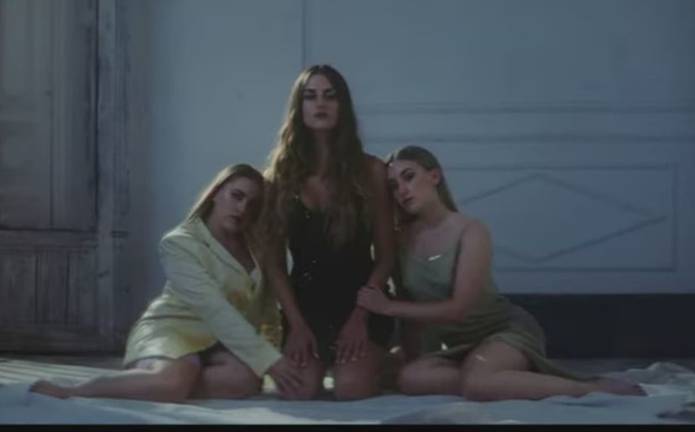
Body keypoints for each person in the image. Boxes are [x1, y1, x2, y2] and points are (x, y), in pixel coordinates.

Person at [356, 145, 645, 401]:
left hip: (502, 330)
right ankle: (505, 380)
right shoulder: (400, 239)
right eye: (393, 185)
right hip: (455, 346)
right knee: (410, 378)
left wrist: (388, 307)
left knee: (478, 384)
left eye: (409, 177)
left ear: (434, 176)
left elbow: (459, 308)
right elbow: (411, 317)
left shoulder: (471, 230)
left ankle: (590, 388)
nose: (402, 190)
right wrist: (411, 355)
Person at [31, 164, 304, 401]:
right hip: (173, 329)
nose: (242, 208)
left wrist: (270, 357)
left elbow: (267, 309)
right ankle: (75, 390)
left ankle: (165, 381)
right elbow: (214, 310)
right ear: (216, 193)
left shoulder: (256, 246)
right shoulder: (179, 243)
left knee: (246, 380)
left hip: (221, 342)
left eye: (253, 204)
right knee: (172, 383)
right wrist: (269, 361)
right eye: (237, 196)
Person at [261, 64, 396, 400]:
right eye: (310, 96)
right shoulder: (279, 177)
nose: (320, 103)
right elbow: (274, 264)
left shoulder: (370, 170)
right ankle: (332, 356)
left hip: (360, 302)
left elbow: (386, 255)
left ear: (342, 106)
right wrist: (296, 325)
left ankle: (392, 361)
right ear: (299, 107)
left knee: (350, 389)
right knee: (298, 391)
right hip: (305, 306)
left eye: (330, 96)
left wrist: (361, 317)